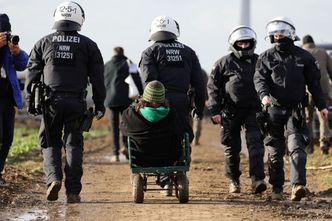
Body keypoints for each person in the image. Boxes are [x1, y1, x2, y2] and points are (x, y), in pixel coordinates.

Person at [25, 2, 106, 203]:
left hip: (50, 102)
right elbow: (98, 79)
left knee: (50, 141)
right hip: (76, 102)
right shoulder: (89, 45)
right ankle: (73, 192)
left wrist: (30, 101)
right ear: (80, 19)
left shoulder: (43, 43)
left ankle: (53, 179)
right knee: (73, 144)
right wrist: (99, 104)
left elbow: (32, 75)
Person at [254, 16, 328, 201]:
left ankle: (297, 186)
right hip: (273, 111)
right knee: (275, 151)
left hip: (296, 111)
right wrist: (263, 95)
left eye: (281, 33)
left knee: (297, 148)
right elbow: (259, 79)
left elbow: (314, 84)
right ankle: (277, 189)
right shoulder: (266, 57)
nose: (278, 36)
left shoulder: (304, 57)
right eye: (275, 34)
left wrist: (322, 106)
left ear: (290, 34)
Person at [207, 25, 266, 194]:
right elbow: (213, 88)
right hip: (230, 111)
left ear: (252, 43)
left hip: (254, 110)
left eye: (247, 43)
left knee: (256, 145)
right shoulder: (222, 63)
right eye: (240, 44)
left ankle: (257, 180)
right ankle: (234, 180)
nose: (244, 46)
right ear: (234, 44)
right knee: (231, 148)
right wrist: (215, 110)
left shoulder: (260, 61)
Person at [139, 15, 205, 144]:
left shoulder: (149, 52)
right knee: (182, 136)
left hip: (158, 104)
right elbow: (198, 83)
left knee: (158, 136)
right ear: (175, 30)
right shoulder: (189, 52)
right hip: (182, 102)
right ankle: (181, 159)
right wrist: (199, 108)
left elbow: (149, 81)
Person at [120, 80, 182, 167]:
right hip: (167, 160)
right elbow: (180, 135)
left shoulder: (129, 114)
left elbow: (123, 132)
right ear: (163, 97)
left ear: (145, 95)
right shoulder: (172, 115)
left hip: (139, 160)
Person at [0, 14, 28, 186]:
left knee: (8, 138)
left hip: (8, 100)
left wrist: (16, 51)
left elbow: (23, 64)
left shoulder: (9, 50)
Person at [104, 47, 143, 162]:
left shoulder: (106, 65)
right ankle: (127, 148)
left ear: (113, 53)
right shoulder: (130, 63)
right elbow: (137, 79)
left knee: (114, 126)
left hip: (111, 100)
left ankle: (115, 154)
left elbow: (102, 81)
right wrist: (141, 94)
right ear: (123, 53)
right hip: (126, 99)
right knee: (127, 124)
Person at [302, 35, 332, 155]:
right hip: (323, 88)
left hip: (306, 90)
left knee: (307, 118)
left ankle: (309, 147)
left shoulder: (301, 53)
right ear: (313, 43)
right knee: (323, 115)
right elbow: (331, 70)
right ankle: (324, 142)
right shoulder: (323, 52)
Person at [190, 69, 209, 146]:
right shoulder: (203, 72)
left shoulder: (186, 69)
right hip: (198, 100)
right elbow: (206, 87)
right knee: (197, 120)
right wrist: (206, 98)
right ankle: (195, 141)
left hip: (189, 99)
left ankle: (191, 140)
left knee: (189, 122)